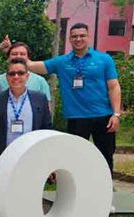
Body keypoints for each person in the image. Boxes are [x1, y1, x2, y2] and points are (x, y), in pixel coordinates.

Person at [24, 23, 122, 171]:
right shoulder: (62, 62)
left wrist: (116, 114)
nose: (78, 39)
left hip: (104, 116)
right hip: (76, 117)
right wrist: (13, 53)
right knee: (75, 157)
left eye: (82, 35)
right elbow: (33, 66)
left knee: (105, 157)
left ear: (88, 37)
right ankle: (78, 191)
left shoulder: (104, 59)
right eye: (74, 36)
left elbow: (113, 87)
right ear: (69, 39)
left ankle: (105, 191)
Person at [0, 58, 52, 217]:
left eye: (20, 73)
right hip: (1, 158)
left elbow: (46, 129)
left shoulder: (40, 99)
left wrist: (47, 160)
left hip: (30, 158)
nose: (16, 77)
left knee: (28, 196)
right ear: (7, 77)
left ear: (27, 76)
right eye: (12, 73)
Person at [0, 39, 52, 111]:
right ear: (8, 57)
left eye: (22, 54)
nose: (18, 56)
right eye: (14, 54)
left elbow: (47, 110)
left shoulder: (40, 81)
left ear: (28, 58)